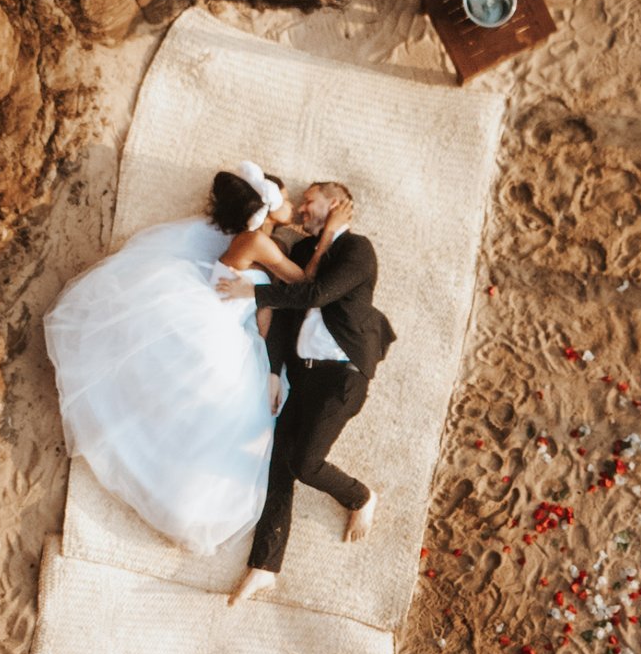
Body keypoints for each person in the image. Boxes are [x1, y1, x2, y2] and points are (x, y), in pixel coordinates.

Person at [43, 165, 310, 549]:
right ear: (267, 209)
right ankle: (174, 489)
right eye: (284, 200)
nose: (292, 204)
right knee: (222, 410)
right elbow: (301, 284)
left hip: (223, 319)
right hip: (215, 322)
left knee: (200, 405)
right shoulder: (256, 242)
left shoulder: (255, 243)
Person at [231, 179, 393, 604]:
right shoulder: (303, 253)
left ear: (337, 204)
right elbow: (285, 316)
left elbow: (317, 293)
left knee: (305, 463)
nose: (302, 209)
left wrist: (254, 290)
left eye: (310, 200)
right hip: (302, 375)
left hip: (343, 375)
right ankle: (264, 567)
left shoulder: (358, 250)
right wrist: (273, 371)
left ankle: (360, 495)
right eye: (300, 202)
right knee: (278, 465)